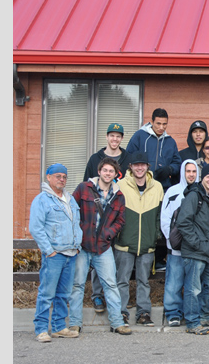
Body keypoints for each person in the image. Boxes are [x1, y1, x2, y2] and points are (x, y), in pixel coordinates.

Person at [68, 158, 132, 336]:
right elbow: (72, 211)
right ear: (99, 171)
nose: (108, 173)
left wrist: (108, 234)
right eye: (105, 170)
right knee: (77, 285)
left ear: (115, 174)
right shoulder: (84, 188)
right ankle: (74, 323)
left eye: (111, 171)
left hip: (103, 247)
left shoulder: (118, 196)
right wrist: (77, 233)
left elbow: (120, 220)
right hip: (83, 245)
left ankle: (117, 322)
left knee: (111, 284)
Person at [30, 163, 83, 343]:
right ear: (48, 177)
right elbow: (36, 228)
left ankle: (59, 327)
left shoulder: (70, 199)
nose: (62, 179)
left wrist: (77, 246)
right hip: (54, 255)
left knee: (63, 294)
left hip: (70, 253)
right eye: (58, 176)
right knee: (47, 293)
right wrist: (49, 251)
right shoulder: (42, 200)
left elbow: (77, 223)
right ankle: (41, 329)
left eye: (64, 177)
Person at [80, 123, 129, 313]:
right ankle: (98, 296)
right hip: (96, 220)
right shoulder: (95, 159)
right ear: (107, 137)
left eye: (118, 136)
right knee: (98, 256)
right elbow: (86, 185)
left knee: (113, 261)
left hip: (117, 214)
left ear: (121, 139)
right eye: (112, 136)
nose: (115, 139)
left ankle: (113, 299)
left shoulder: (127, 158)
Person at [114, 152, 164, 327]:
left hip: (147, 243)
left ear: (147, 167)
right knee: (122, 280)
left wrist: (156, 235)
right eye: (136, 165)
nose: (139, 168)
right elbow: (114, 213)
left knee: (144, 281)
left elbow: (159, 215)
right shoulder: (120, 185)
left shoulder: (157, 186)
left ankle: (143, 313)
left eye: (143, 164)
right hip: (125, 242)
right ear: (131, 167)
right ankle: (121, 313)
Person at [175, 163, 209, 335]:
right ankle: (193, 322)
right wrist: (197, 243)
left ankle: (206, 315)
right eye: (208, 177)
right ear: (202, 178)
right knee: (193, 288)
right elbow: (183, 222)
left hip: (208, 252)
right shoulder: (194, 195)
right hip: (195, 251)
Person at [160, 160, 199, 327]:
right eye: (188, 171)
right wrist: (171, 240)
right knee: (173, 282)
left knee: (193, 284)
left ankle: (191, 312)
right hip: (175, 247)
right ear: (183, 172)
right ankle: (173, 313)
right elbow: (165, 217)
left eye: (193, 171)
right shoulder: (173, 191)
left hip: (194, 248)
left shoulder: (201, 192)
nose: (191, 174)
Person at [125, 108, 181, 190]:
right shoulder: (139, 136)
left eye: (164, 124)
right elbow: (129, 157)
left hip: (163, 187)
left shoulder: (170, 142)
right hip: (140, 185)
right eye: (158, 123)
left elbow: (177, 163)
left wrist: (169, 169)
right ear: (152, 121)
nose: (161, 127)